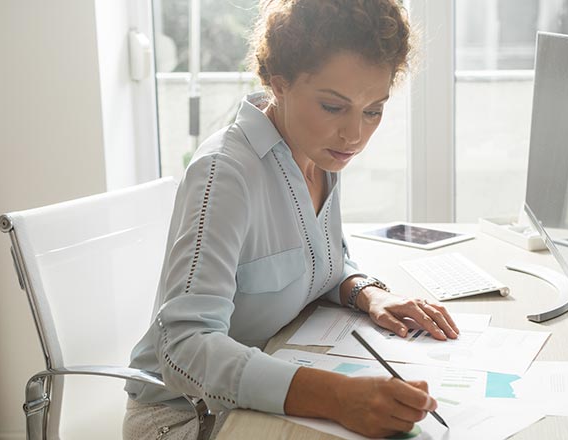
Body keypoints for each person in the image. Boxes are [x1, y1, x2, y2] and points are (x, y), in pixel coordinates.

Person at [122, 1, 461, 439]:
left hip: (269, 386)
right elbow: (183, 350)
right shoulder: (224, 175)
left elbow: (317, 270)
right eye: (333, 106)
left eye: (373, 110)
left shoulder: (318, 155)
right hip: (186, 417)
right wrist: (337, 397)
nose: (355, 135)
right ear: (278, 84)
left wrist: (368, 293)